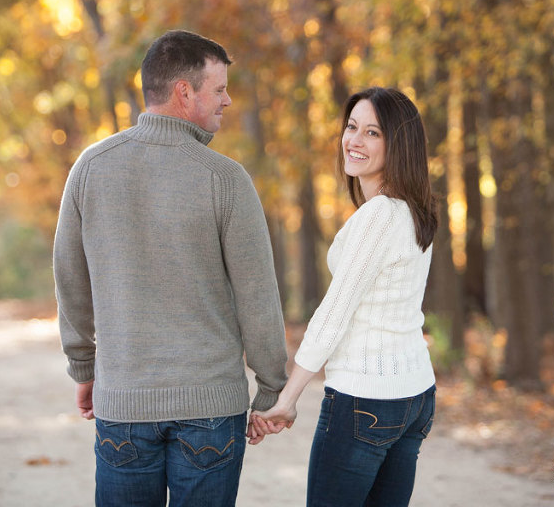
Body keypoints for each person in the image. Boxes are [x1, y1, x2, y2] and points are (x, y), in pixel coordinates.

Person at [53, 29, 288, 507]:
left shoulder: (91, 167)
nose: (227, 99)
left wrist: (84, 368)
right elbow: (257, 296)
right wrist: (271, 389)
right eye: (219, 88)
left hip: (125, 402)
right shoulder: (225, 179)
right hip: (211, 411)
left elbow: (69, 279)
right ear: (185, 91)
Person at [249, 87, 439, 507]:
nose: (354, 140)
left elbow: (333, 314)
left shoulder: (380, 216)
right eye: (352, 127)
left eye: (372, 132)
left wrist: (286, 399)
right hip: (415, 395)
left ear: (398, 144)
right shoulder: (415, 210)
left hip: (366, 399)